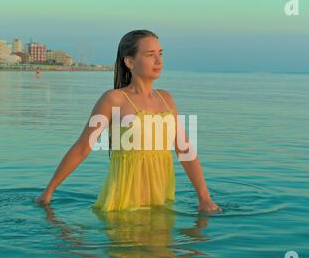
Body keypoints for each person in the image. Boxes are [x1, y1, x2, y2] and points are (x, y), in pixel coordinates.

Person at [36, 29, 221, 214]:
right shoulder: (114, 99)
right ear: (130, 61)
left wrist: (204, 198)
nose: (158, 60)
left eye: (160, 54)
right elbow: (83, 147)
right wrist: (49, 191)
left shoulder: (166, 99)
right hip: (123, 202)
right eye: (150, 55)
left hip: (161, 201)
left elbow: (185, 149)